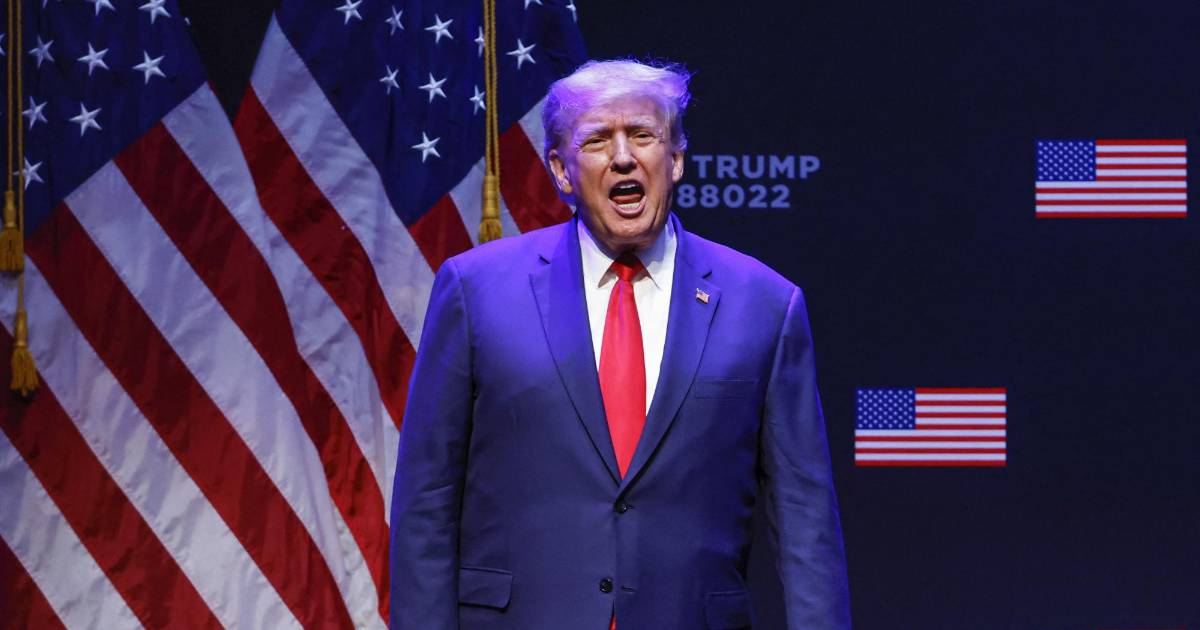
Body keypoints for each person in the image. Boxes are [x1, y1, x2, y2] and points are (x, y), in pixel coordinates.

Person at [389, 59, 850, 630]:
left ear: (675, 159)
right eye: (597, 140)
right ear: (561, 171)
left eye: (642, 135)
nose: (624, 157)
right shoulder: (475, 290)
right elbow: (427, 501)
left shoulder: (765, 304)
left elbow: (806, 517)